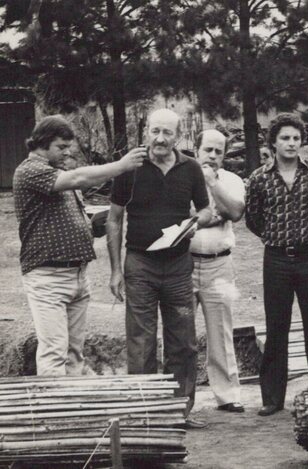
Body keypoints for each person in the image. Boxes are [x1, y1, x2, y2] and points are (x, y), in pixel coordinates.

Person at [13, 115, 144, 375]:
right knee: (54, 353)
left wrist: (92, 226)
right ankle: (53, 401)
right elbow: (78, 178)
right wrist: (121, 165)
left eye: (68, 147)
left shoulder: (56, 172)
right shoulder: (29, 170)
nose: (67, 152)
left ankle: (73, 399)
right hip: (48, 277)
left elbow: (61, 217)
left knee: (74, 354)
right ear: (42, 143)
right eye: (61, 147)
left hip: (77, 275)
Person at [106, 109, 212, 429]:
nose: (160, 139)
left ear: (178, 136)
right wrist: (115, 270)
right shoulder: (130, 167)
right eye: (155, 131)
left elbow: (206, 210)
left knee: (184, 341)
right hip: (140, 264)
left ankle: (179, 412)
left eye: (167, 132)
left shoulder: (191, 168)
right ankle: (144, 415)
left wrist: (194, 223)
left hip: (179, 266)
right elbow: (114, 219)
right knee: (141, 342)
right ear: (146, 132)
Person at [246, 113, 308, 416]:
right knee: (276, 327)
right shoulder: (259, 178)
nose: (291, 143)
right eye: (285, 138)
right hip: (276, 260)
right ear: (273, 142)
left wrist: (306, 236)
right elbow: (254, 219)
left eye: (296, 138)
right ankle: (273, 398)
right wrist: (278, 236)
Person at [190, 129, 245, 413]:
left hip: (220, 264)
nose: (212, 156)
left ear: (224, 155)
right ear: (196, 150)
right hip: (183, 265)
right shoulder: (181, 177)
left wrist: (213, 183)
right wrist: (213, 216)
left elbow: (234, 212)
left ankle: (227, 395)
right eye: (207, 150)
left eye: (218, 152)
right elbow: (179, 218)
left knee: (221, 332)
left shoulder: (232, 180)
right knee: (180, 333)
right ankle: (180, 398)